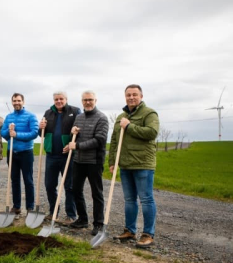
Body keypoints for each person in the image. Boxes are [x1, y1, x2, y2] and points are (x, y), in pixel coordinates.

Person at [109, 84, 159, 248]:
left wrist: (129, 126)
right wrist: (112, 162)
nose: (131, 97)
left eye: (134, 95)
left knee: (146, 199)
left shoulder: (149, 113)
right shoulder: (121, 117)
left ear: (141, 96)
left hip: (143, 163)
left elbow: (152, 133)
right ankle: (130, 231)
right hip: (125, 164)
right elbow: (115, 141)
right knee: (129, 200)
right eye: (128, 95)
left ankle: (148, 234)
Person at [68, 90, 109, 235]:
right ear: (82, 101)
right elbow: (75, 139)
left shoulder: (102, 118)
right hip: (78, 160)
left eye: (90, 99)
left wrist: (77, 146)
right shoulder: (78, 117)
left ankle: (98, 223)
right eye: (85, 100)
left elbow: (99, 140)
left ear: (95, 101)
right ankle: (82, 219)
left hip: (94, 162)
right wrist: (72, 133)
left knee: (96, 192)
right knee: (75, 190)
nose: (87, 102)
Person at [39, 91, 80, 224]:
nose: (59, 101)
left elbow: (80, 131)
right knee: (50, 185)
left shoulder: (74, 111)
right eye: (56, 99)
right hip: (51, 155)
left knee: (69, 186)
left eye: (61, 99)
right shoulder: (48, 113)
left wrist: (72, 143)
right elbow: (42, 134)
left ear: (66, 99)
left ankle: (71, 215)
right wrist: (41, 128)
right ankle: (53, 212)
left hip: (67, 155)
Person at [1, 93, 39, 219]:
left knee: (28, 180)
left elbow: (34, 133)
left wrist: (16, 134)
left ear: (23, 102)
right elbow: (3, 133)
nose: (16, 103)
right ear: (12, 102)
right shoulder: (9, 117)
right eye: (14, 101)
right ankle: (16, 207)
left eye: (19, 100)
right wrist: (9, 131)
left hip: (26, 152)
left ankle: (30, 207)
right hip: (12, 152)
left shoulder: (31, 116)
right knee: (15, 180)